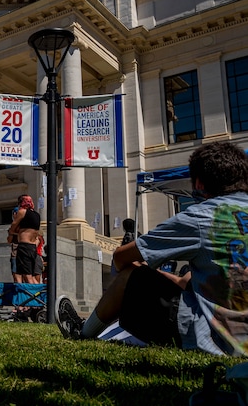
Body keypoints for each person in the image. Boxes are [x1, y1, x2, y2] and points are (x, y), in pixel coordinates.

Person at [55, 142, 248, 356]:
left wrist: (142, 271)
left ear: (200, 183)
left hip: (218, 339)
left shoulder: (202, 216)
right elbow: (188, 281)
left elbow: (121, 257)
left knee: (130, 276)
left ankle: (82, 333)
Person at [8, 194, 42, 284]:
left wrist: (12, 232)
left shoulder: (22, 212)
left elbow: (13, 226)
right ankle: (40, 295)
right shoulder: (37, 215)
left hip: (24, 246)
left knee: (27, 276)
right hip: (33, 247)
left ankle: (34, 297)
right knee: (32, 276)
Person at [7, 207, 21, 283]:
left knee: (18, 276)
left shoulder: (22, 226)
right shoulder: (12, 226)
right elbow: (9, 240)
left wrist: (13, 233)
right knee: (15, 276)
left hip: (19, 253)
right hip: (14, 252)